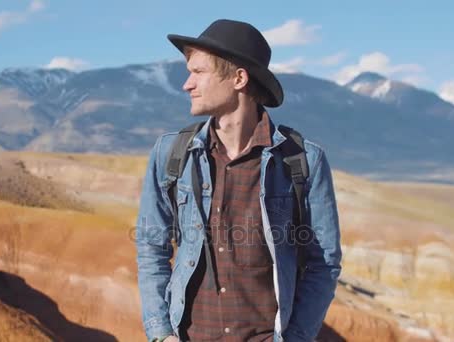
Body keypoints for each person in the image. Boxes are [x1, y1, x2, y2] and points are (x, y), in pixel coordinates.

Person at [136, 19, 341, 342]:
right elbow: (151, 247)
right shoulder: (171, 154)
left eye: (199, 72)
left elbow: (323, 263)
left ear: (239, 78)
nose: (187, 85)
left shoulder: (302, 161)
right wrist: (161, 334)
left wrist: (297, 337)